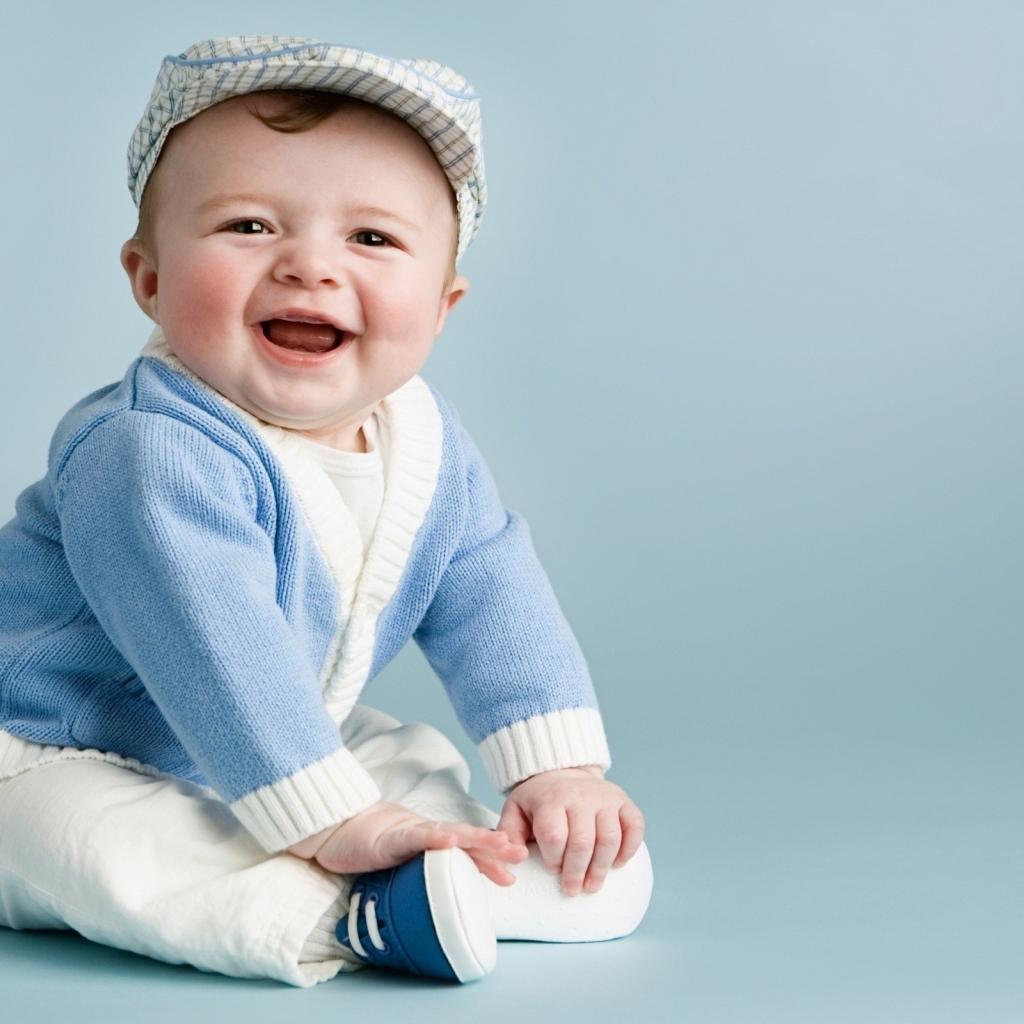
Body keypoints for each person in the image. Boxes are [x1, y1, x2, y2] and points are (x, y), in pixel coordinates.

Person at [0, 34, 653, 986]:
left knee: (412, 758)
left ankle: (473, 865)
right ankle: (345, 913)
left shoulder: (424, 440)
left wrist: (554, 771)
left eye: (372, 239)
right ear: (150, 277)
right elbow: (215, 644)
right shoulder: (148, 448)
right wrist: (336, 818)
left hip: (273, 731)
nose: (309, 265)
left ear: (442, 305)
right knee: (85, 840)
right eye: (249, 226)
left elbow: (490, 589)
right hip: (48, 743)